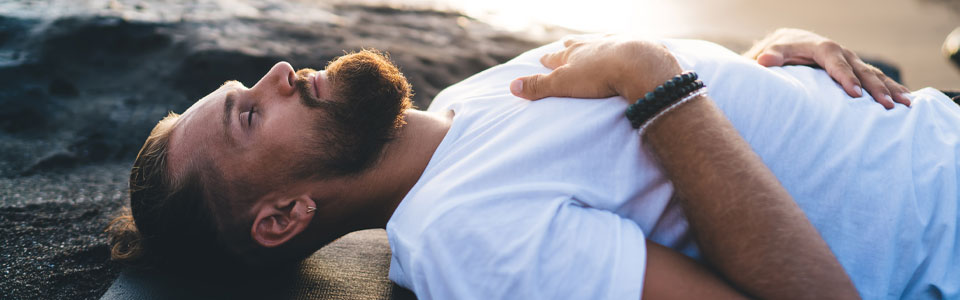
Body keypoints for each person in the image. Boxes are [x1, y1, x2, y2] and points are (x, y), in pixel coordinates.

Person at [107, 28, 958, 299]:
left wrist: (776, 57)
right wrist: (651, 76)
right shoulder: (466, 236)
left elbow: (718, 122)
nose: (279, 71)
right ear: (285, 215)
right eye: (251, 113)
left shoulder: (465, 105)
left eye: (246, 84)